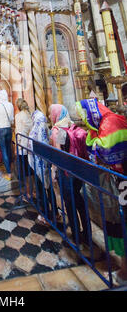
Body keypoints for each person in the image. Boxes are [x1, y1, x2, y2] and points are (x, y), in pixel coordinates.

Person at [76, 98, 127, 284]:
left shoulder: (111, 123)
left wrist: (94, 141)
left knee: (122, 224)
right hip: (117, 182)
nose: (82, 119)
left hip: (121, 182)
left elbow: (102, 151)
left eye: (84, 115)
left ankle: (124, 272)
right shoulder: (103, 125)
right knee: (117, 223)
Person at [49, 103, 91, 246]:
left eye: (51, 113)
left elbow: (58, 154)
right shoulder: (72, 125)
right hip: (78, 170)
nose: (50, 115)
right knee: (79, 201)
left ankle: (76, 236)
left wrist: (54, 172)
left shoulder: (57, 130)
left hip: (66, 172)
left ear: (56, 114)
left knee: (70, 203)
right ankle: (87, 234)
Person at [28, 109, 59, 227]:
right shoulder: (46, 128)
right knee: (49, 188)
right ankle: (55, 213)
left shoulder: (36, 129)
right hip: (45, 163)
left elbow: (32, 144)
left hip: (38, 164)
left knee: (41, 189)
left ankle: (45, 215)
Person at [0, 90, 14, 181]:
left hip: (0, 130)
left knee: (4, 150)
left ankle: (9, 173)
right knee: (9, 149)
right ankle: (11, 169)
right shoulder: (10, 105)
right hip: (8, 128)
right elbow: (12, 119)